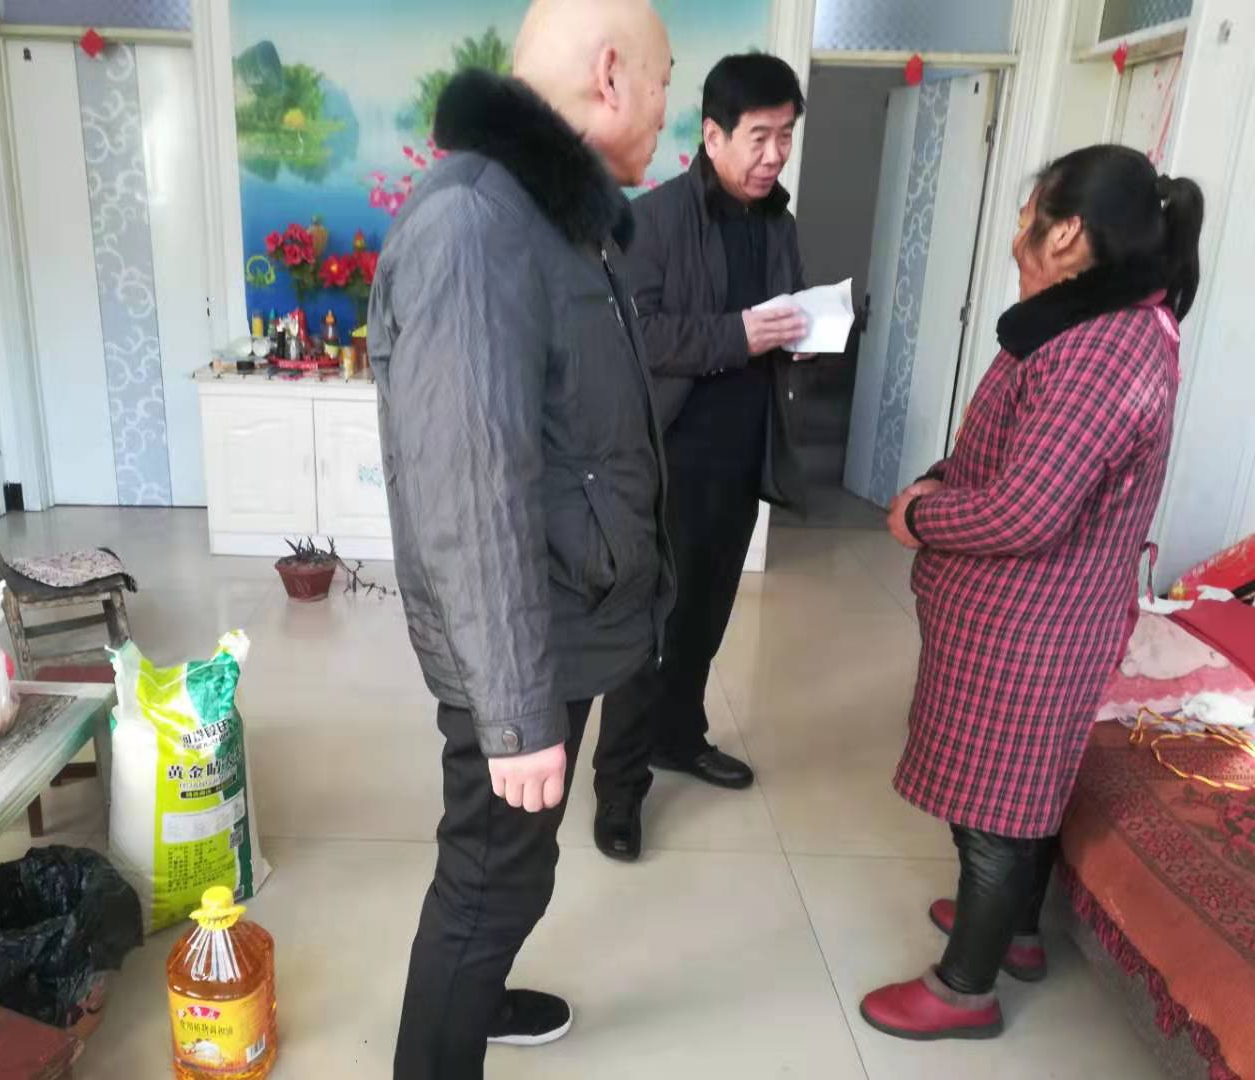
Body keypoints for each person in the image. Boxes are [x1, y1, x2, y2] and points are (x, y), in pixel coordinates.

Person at [366, 1, 675, 1075]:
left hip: (560, 614)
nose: (668, 111)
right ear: (611, 74)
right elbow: (467, 483)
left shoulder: (546, 211)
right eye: (665, 82)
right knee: (488, 885)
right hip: (520, 645)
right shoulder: (474, 222)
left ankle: (482, 998)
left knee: (511, 875)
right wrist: (513, 714)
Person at [861, 145, 1204, 1040]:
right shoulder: (1091, 319)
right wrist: (942, 479)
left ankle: (964, 989)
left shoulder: (1106, 348)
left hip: (1036, 625)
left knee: (997, 810)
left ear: (1069, 234)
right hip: (1018, 618)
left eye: (1028, 219)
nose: (1018, 237)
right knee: (1010, 790)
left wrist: (921, 515)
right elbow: (1016, 449)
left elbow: (1027, 509)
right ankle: (1012, 928)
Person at [590, 53, 811, 861]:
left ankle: (679, 738)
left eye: (785, 136)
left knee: (707, 617)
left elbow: (782, 316)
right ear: (712, 135)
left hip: (741, 458)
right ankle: (619, 791)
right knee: (649, 632)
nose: (774, 155)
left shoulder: (779, 224)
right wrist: (736, 335)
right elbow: (636, 335)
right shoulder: (650, 220)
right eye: (759, 137)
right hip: (667, 463)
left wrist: (807, 335)